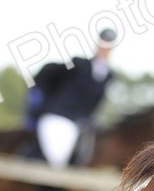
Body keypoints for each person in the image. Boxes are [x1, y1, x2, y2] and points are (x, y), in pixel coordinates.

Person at [27, 28, 117, 169]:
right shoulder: (78, 63)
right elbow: (48, 71)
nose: (104, 51)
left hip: (81, 124)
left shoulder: (110, 76)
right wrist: (38, 98)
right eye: (102, 46)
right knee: (58, 161)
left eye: (108, 48)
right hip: (58, 117)